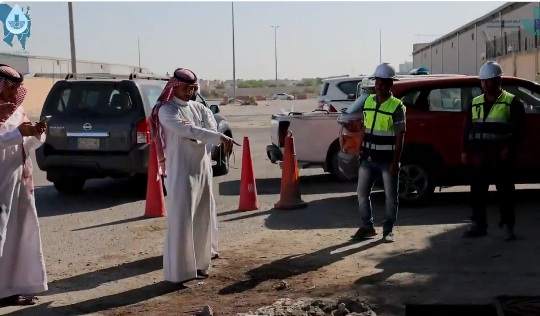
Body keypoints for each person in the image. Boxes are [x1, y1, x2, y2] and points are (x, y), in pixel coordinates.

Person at [149, 68, 236, 284]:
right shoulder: (166, 110)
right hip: (180, 171)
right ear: (175, 86)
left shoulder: (200, 108)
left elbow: (208, 128)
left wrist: (212, 136)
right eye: (187, 87)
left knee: (202, 217)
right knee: (181, 220)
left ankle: (199, 265)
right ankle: (179, 273)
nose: (191, 91)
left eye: (194, 87)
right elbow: (189, 131)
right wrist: (216, 137)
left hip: (203, 169)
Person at [461, 61, 526, 241]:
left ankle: (508, 226)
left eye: (489, 81)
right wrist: (465, 151)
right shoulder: (475, 102)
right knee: (477, 194)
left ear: (498, 81)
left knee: (505, 193)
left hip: (501, 157)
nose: (486, 85)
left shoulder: (512, 102)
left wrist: (509, 149)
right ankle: (479, 225)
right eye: (483, 81)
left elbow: (520, 131)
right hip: (479, 156)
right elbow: (466, 128)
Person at [0, 64, 48, 306]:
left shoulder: (17, 112)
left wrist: (36, 133)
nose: (12, 94)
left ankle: (11, 288)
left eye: (16, 89)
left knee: (18, 234)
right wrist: (18, 133)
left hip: (19, 182)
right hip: (0, 183)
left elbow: (26, 144)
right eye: (9, 88)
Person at [350, 63, 406, 243]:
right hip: (368, 158)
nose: (379, 86)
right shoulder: (368, 101)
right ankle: (367, 227)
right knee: (361, 194)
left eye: (383, 82)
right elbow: (365, 127)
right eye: (377, 82)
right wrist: (360, 148)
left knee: (391, 197)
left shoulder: (397, 106)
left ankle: (388, 229)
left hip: (387, 160)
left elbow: (400, 136)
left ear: (390, 84)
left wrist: (396, 161)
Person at [190, 89, 220, 260]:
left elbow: (212, 137)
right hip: (189, 166)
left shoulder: (203, 111)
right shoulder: (171, 110)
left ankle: (208, 248)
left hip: (200, 165)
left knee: (205, 208)